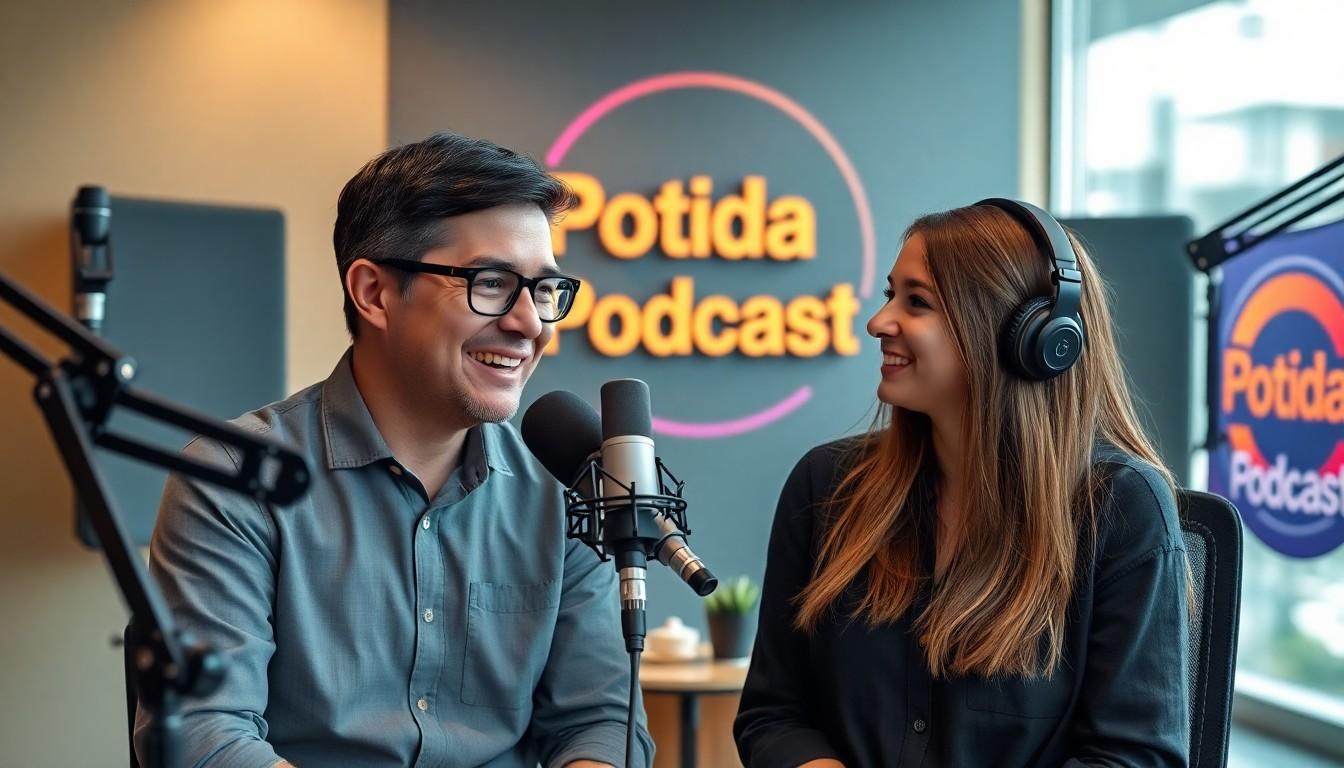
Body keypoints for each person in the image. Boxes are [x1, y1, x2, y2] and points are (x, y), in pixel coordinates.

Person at [135, 132, 653, 767]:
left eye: (543, 291)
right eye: (491, 283)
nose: (529, 323)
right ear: (374, 293)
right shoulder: (231, 479)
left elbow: (600, 721)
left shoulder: (563, 492)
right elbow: (206, 737)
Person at [734, 200, 1190, 767]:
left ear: (1026, 336)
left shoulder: (1120, 508)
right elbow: (773, 714)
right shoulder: (827, 485)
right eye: (890, 295)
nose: (878, 323)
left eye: (917, 302)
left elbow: (1134, 756)